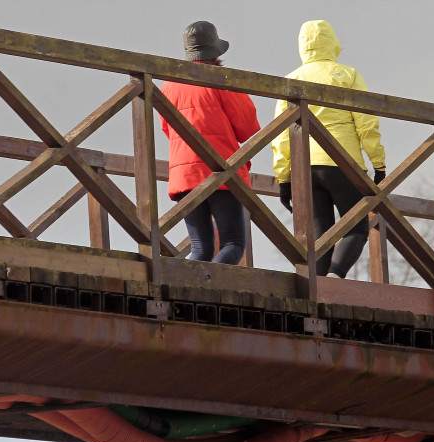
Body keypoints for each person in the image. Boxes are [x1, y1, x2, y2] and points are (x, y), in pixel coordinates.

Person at [271, 20, 386, 278]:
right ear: (332, 42)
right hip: (343, 164)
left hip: (305, 167)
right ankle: (335, 275)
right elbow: (366, 123)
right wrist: (378, 163)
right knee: (356, 227)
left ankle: (318, 287)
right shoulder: (348, 75)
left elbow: (280, 136)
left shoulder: (291, 78)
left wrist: (284, 179)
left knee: (320, 234)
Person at [160, 21, 261, 265]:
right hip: (222, 173)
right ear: (215, 51)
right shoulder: (222, 79)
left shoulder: (168, 85)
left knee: (200, 248)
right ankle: (208, 285)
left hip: (184, 175)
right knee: (233, 243)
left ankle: (189, 290)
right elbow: (247, 128)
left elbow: (167, 129)